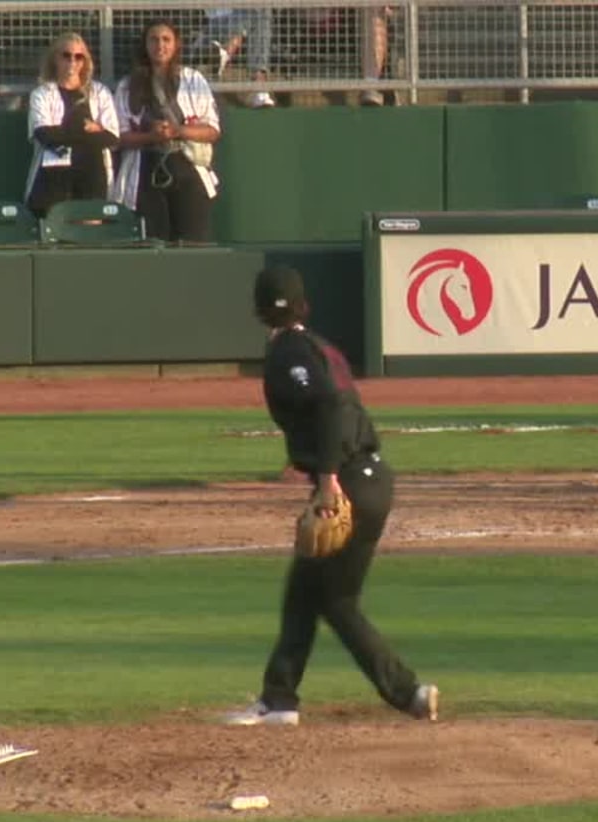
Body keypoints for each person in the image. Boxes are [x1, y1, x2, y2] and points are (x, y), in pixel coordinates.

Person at [225, 266, 439, 727]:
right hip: (373, 479)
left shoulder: (289, 352)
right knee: (308, 595)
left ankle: (408, 692)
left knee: (334, 602)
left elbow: (327, 405)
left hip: (349, 481)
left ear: (258, 310)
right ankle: (280, 700)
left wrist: (326, 479)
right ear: (303, 304)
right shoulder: (320, 347)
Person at [112, 20, 221, 244]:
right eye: (153, 39)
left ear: (175, 45)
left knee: (192, 244)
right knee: (153, 245)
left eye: (166, 39)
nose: (160, 45)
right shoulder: (127, 85)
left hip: (187, 167)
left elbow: (212, 131)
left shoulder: (193, 79)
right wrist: (151, 136)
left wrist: (178, 130)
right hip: (145, 170)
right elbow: (118, 137)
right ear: (145, 45)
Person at [23, 33, 119, 219]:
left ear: (85, 61)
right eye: (66, 55)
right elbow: (44, 135)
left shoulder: (100, 92)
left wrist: (63, 132)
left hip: (92, 173)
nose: (72, 62)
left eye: (78, 56)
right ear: (55, 59)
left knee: (90, 230)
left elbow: (112, 137)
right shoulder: (41, 94)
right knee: (53, 227)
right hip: (53, 176)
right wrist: (90, 131)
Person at [201, 7, 275, 108]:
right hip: (219, 23)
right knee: (260, 12)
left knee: (260, 11)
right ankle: (259, 86)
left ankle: (226, 52)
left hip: (247, 21)